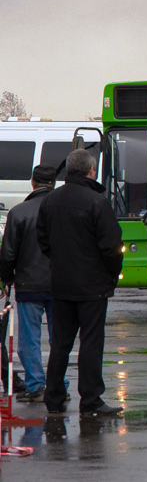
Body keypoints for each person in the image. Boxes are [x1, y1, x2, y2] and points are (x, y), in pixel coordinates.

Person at [37, 149, 124, 416]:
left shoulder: (51, 200)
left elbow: (43, 240)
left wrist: (60, 262)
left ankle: (53, 398)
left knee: (60, 343)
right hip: (92, 287)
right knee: (91, 342)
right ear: (90, 171)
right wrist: (110, 276)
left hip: (61, 284)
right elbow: (111, 247)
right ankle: (90, 400)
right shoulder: (97, 202)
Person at [0, 165, 57, 402]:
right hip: (60, 285)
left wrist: (6, 277)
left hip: (28, 284)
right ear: (54, 184)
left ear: (33, 183)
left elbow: (8, 252)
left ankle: (36, 384)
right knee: (59, 339)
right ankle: (58, 385)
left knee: (28, 340)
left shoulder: (19, 212)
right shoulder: (62, 212)